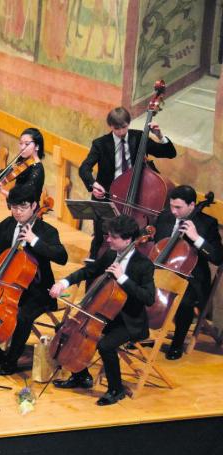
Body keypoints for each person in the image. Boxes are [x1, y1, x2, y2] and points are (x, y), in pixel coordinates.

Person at [0, 183, 67, 374]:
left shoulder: (47, 231)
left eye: (22, 207)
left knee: (22, 317)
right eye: (13, 207)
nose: (17, 212)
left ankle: (11, 362)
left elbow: (62, 257)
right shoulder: (8, 225)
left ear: (34, 206)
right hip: (5, 290)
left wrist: (35, 241)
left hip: (38, 292)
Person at [50, 214, 155, 406]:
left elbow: (148, 298)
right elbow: (88, 271)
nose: (107, 239)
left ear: (128, 239)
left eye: (113, 237)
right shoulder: (110, 255)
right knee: (65, 329)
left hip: (129, 322)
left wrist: (123, 279)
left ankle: (116, 390)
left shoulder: (143, 265)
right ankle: (80, 376)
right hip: (104, 315)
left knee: (105, 345)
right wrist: (64, 282)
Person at [79, 106, 177, 257]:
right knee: (101, 238)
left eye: (124, 127)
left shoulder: (139, 138)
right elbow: (84, 168)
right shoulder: (100, 144)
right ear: (110, 126)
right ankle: (93, 268)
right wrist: (93, 185)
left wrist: (159, 135)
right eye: (116, 128)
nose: (121, 132)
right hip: (108, 197)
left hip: (135, 199)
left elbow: (169, 153)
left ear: (128, 124)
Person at [152, 185, 223, 360]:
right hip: (163, 271)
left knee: (184, 300)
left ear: (192, 205)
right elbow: (156, 244)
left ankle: (177, 342)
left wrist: (196, 238)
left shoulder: (207, 224)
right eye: (171, 206)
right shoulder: (164, 217)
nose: (173, 211)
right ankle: (140, 331)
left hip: (191, 279)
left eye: (178, 207)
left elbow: (217, 258)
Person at [0, 127, 45, 203]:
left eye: (26, 144)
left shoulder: (37, 170)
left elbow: (24, 197)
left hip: (28, 212)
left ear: (37, 146)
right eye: (21, 143)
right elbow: (6, 172)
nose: (22, 147)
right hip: (17, 210)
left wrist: (1, 191)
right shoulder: (23, 161)